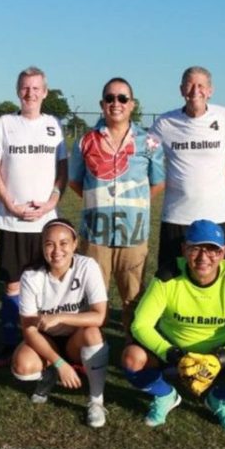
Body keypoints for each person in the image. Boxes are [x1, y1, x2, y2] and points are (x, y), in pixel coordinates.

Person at [123, 220, 225, 432]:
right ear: (184, 249)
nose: (204, 257)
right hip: (174, 354)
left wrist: (220, 358)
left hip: (218, 358)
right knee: (132, 357)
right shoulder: (168, 277)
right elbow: (141, 325)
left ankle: (218, 398)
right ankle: (166, 395)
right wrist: (174, 355)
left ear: (223, 253)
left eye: (212, 250)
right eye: (195, 248)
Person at [0, 66, 68, 367]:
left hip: (46, 222)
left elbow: (62, 172)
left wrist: (50, 203)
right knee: (13, 285)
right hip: (12, 219)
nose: (30, 93)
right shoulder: (5, 124)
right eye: (25, 87)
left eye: (35, 88)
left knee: (47, 284)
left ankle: (46, 344)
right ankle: (10, 343)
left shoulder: (53, 125)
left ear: (45, 92)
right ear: (18, 90)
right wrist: (10, 204)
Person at [68, 77, 164, 337]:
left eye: (122, 98)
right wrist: (97, 202)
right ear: (102, 104)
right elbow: (75, 182)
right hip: (94, 234)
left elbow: (157, 183)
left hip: (133, 234)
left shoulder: (149, 142)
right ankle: (90, 355)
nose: (116, 103)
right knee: (91, 300)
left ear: (132, 104)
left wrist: (135, 205)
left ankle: (134, 354)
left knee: (133, 300)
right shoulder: (85, 141)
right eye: (110, 98)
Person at [148, 66, 225, 269]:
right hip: (176, 216)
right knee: (172, 277)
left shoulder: (224, 116)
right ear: (181, 90)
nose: (195, 90)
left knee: (215, 277)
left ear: (210, 90)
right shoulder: (165, 123)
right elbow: (146, 150)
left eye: (201, 85)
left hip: (215, 215)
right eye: (189, 85)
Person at [10, 219, 110, 428]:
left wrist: (61, 317)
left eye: (64, 243)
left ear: (75, 244)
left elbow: (100, 316)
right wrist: (59, 363)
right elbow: (29, 330)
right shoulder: (31, 275)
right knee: (23, 367)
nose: (57, 250)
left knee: (93, 333)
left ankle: (96, 402)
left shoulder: (87, 266)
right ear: (42, 246)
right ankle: (50, 373)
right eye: (49, 244)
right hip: (47, 339)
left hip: (77, 339)